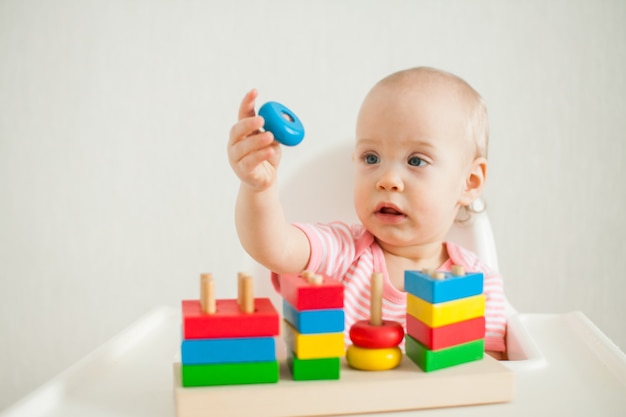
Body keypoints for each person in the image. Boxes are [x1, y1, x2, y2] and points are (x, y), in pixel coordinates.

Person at [227, 66, 507, 357]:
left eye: (416, 161)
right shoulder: (340, 253)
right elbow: (274, 247)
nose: (387, 180)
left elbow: (491, 371)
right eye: (371, 157)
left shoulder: (478, 284)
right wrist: (258, 188)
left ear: (470, 182)